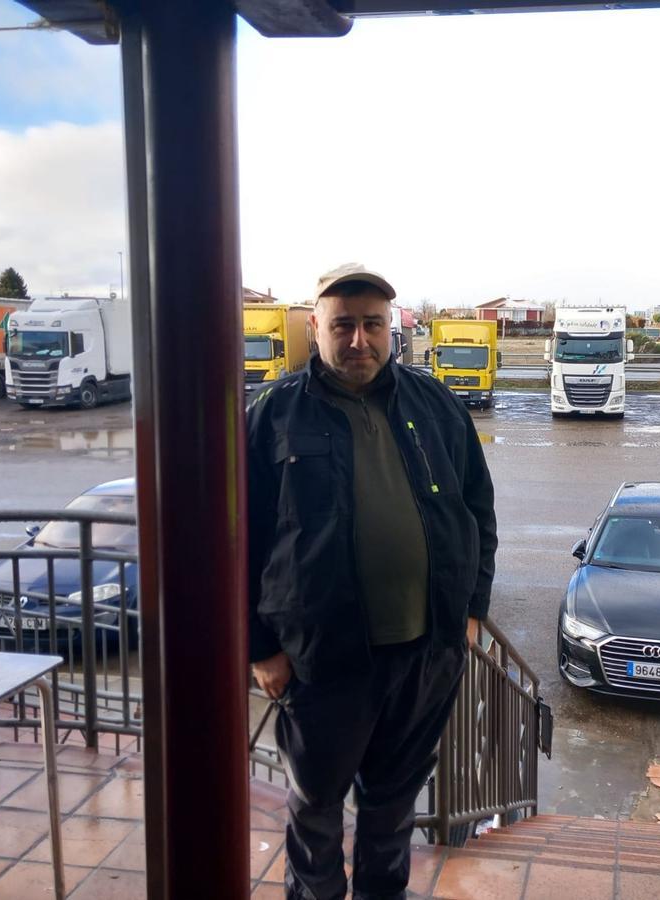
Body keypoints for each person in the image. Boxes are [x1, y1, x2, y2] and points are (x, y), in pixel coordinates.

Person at [246, 263, 497, 900]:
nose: (359, 340)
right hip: (322, 660)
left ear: (391, 329)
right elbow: (239, 538)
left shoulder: (437, 405)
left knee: (393, 803)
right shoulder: (273, 414)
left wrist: (471, 613)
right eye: (343, 326)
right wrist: (260, 647)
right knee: (315, 805)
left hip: (425, 654)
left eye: (372, 324)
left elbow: (477, 510)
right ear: (315, 328)